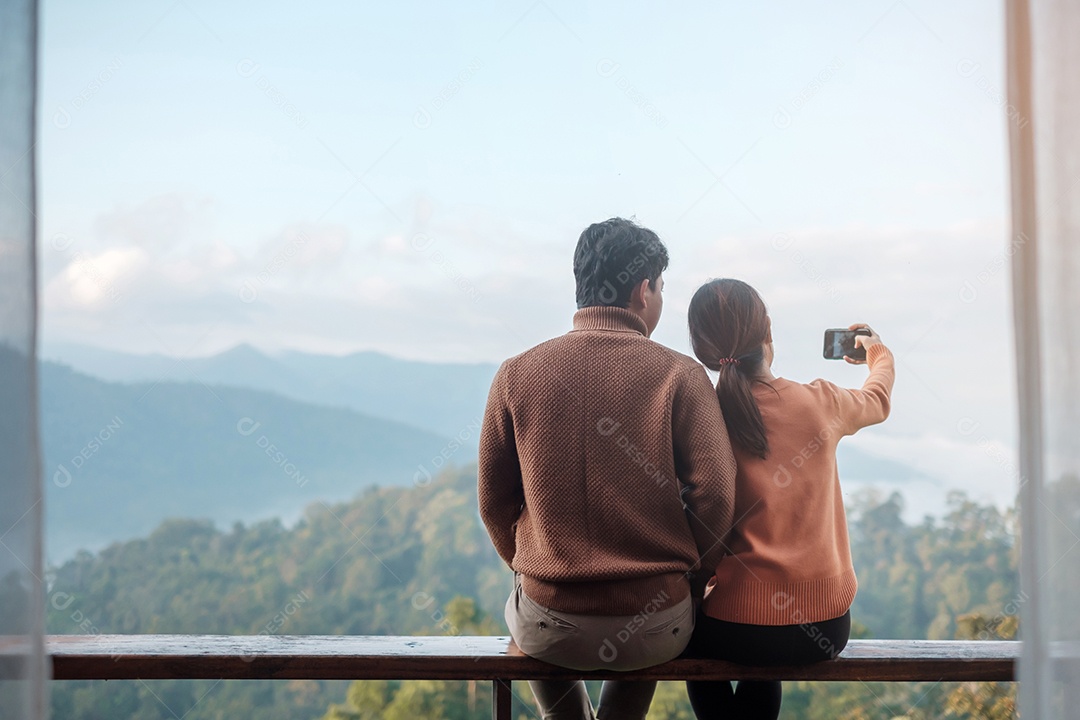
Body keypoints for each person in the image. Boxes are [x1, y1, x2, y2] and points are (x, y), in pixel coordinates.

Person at [478, 218, 738, 720]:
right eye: (661, 288)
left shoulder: (516, 373)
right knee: (639, 656)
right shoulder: (681, 375)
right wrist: (691, 574)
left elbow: (494, 502)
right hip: (654, 623)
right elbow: (717, 496)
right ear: (643, 291)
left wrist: (531, 565)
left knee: (536, 635)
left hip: (549, 622)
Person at [684, 278, 895, 720]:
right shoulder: (821, 402)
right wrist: (877, 353)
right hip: (825, 625)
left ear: (704, 349)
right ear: (768, 334)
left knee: (687, 642)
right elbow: (877, 398)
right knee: (770, 655)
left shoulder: (701, 417)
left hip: (735, 624)